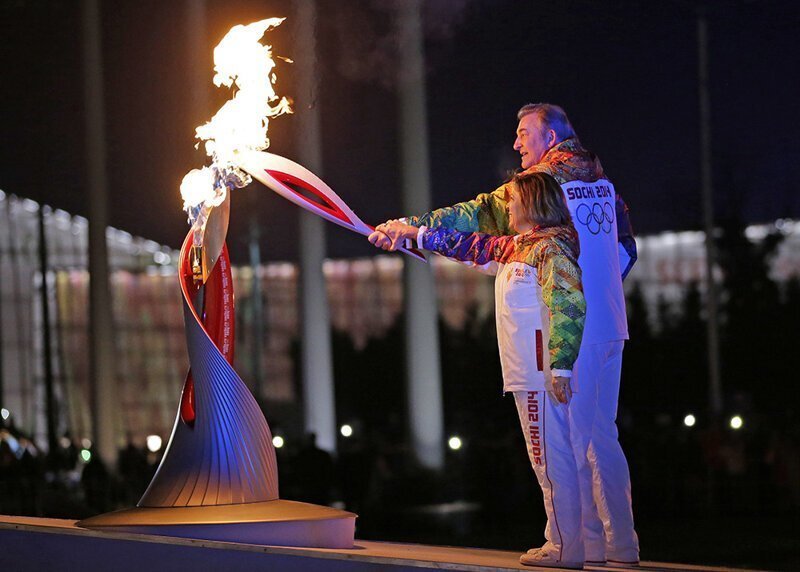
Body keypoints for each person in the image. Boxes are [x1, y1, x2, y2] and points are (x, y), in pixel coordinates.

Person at [371, 103, 639, 567]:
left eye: (524, 133)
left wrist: (414, 227)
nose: (517, 143)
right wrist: (599, 292)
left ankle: (569, 543)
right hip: (608, 325)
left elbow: (477, 218)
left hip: (563, 330)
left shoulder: (542, 185)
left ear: (551, 137)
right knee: (600, 436)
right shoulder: (603, 181)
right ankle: (616, 543)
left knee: (563, 440)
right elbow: (627, 250)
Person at [380, 172, 587, 568]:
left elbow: (568, 304)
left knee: (549, 457)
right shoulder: (518, 248)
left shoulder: (550, 250)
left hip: (540, 373)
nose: (506, 207)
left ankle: (565, 547)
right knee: (546, 457)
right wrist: (409, 232)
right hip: (529, 373)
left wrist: (560, 366)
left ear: (532, 203)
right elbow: (468, 244)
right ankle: (566, 542)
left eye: (513, 201)